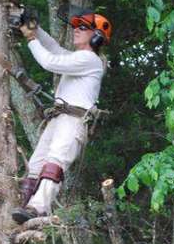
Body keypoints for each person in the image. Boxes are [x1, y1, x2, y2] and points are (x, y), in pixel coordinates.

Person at [11, 12, 112, 224]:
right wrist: (35, 28)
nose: (76, 29)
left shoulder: (89, 59)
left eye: (83, 27)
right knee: (36, 164)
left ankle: (38, 208)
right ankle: (25, 205)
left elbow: (49, 61)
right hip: (60, 118)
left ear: (96, 37)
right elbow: (54, 48)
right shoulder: (79, 58)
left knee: (55, 162)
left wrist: (30, 38)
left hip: (73, 120)